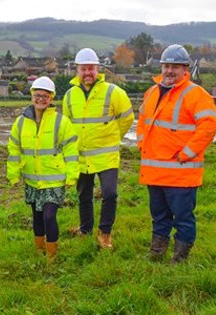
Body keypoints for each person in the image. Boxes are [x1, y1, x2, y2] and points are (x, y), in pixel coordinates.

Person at [136, 44, 216, 264]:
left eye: (175, 66)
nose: (169, 71)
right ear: (161, 67)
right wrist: (142, 143)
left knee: (183, 218)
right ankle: (157, 252)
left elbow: (209, 125)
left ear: (185, 70)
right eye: (166, 66)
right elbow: (143, 121)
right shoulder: (152, 92)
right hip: (154, 171)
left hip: (180, 172)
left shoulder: (196, 94)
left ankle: (180, 259)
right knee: (159, 216)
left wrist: (187, 153)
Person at [62, 48, 134, 249]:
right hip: (81, 155)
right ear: (77, 70)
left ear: (98, 69)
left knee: (109, 194)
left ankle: (105, 233)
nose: (87, 73)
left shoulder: (113, 92)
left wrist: (114, 137)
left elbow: (127, 117)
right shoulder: (69, 96)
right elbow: (67, 125)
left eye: (91, 69)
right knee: (83, 195)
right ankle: (85, 229)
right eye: (83, 69)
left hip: (107, 155)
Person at [7, 76, 79, 263]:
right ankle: (40, 251)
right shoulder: (20, 123)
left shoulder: (61, 122)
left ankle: (52, 256)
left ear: (51, 98)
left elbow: (71, 150)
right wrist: (14, 174)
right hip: (32, 179)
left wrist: (72, 175)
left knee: (48, 216)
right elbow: (14, 150)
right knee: (37, 216)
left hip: (54, 179)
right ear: (32, 96)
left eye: (45, 96)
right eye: (37, 95)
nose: (41, 99)